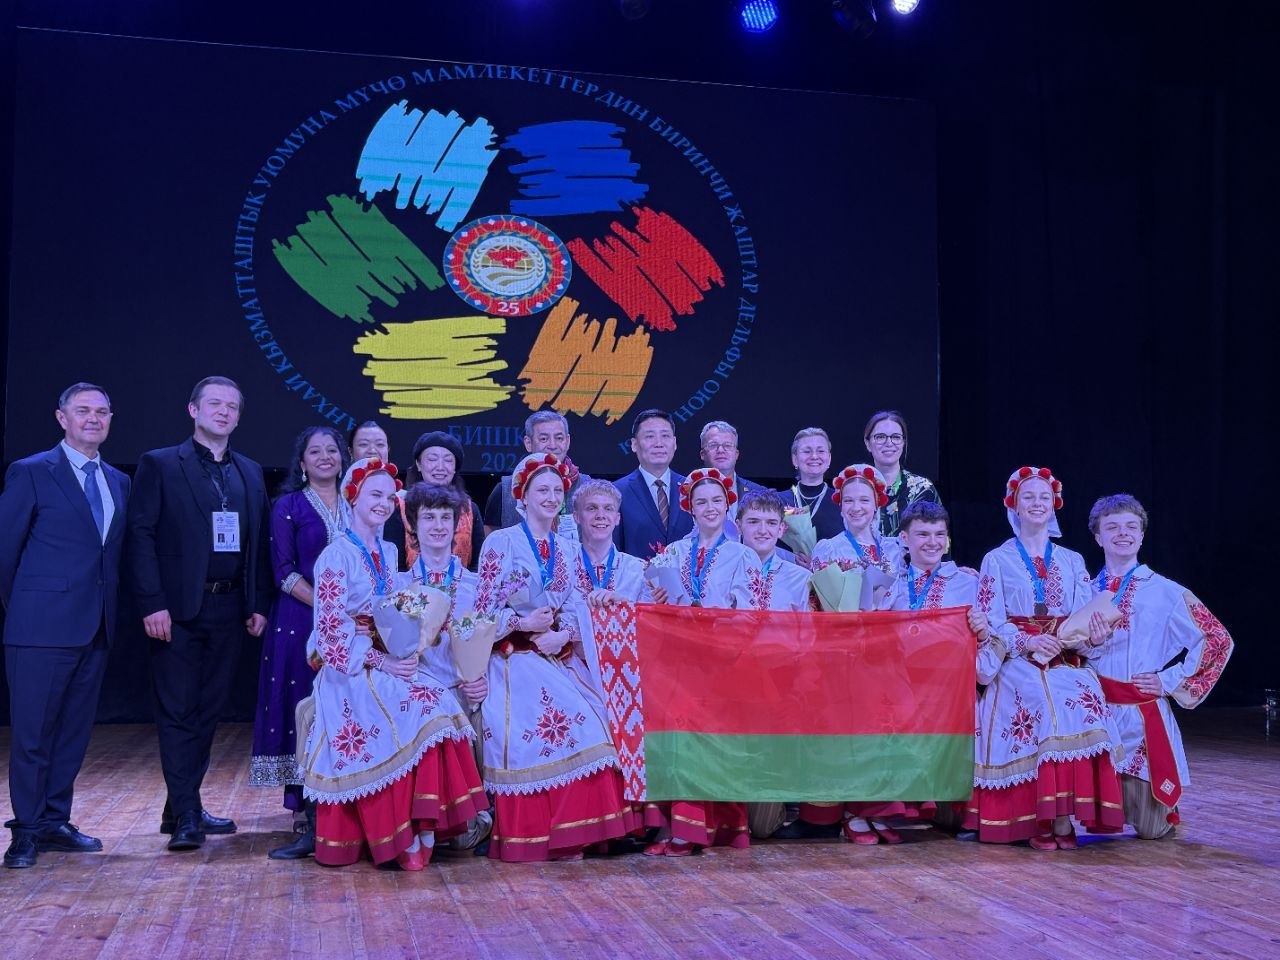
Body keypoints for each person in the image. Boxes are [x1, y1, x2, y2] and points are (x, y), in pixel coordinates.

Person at [300, 459, 485, 869]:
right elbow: (329, 635)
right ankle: (400, 831)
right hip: (350, 667)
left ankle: (425, 820)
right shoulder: (335, 556)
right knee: (423, 708)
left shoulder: (386, 551)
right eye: (374, 495)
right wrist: (379, 660)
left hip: (386, 659)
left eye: (388, 497)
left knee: (439, 703)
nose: (383, 504)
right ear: (353, 498)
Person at [127, 376, 272, 852]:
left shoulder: (250, 471)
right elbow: (141, 536)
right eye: (215, 403)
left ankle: (182, 804)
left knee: (209, 710)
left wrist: (257, 603)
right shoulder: (160, 464)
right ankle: (187, 814)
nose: (224, 412)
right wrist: (152, 602)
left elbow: (257, 544)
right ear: (193, 410)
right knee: (178, 710)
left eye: (232, 406)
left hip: (230, 608)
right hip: (176, 610)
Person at [473, 453, 636, 861]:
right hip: (511, 658)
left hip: (554, 655)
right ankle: (541, 833)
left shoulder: (568, 548)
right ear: (523, 496)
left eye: (556, 490)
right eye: (541, 490)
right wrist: (522, 622)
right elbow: (480, 615)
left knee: (598, 725)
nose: (550, 497)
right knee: (545, 732)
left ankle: (580, 830)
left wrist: (561, 632)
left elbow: (578, 605)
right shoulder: (500, 542)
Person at [0, 383, 130, 869]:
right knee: (32, 735)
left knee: (72, 734)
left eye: (102, 411)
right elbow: (5, 553)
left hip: (95, 627)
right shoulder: (32, 471)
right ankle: (26, 830)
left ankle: (55, 821)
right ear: (62, 418)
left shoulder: (118, 481)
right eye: (83, 411)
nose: (93, 418)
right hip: (39, 630)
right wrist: (27, 610)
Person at [964, 466, 1125, 849]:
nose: (1037, 503)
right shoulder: (996, 559)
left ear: (1054, 504)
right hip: (1017, 657)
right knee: (1036, 698)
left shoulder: (1072, 560)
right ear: (1014, 505)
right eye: (1028, 497)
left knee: (1081, 697)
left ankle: (1064, 815)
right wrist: (1028, 642)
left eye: (1044, 497)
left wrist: (1090, 634)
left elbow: (1085, 614)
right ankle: (1038, 818)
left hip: (1064, 654)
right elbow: (991, 619)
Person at [1086, 494, 1234, 839]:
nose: (1123, 533)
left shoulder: (1166, 592)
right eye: (1112, 527)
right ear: (1098, 537)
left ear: (1142, 535)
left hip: (1141, 713)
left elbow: (1216, 639)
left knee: (1152, 831)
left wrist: (1168, 680)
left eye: (1131, 526)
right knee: (1094, 817)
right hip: (1096, 715)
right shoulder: (1083, 590)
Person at [249, 425, 348, 860]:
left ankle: (347, 801)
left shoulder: (358, 503)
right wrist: (328, 605)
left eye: (332, 450)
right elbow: (284, 571)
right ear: (302, 462)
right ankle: (307, 812)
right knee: (302, 708)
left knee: (346, 708)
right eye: (315, 451)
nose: (325, 456)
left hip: (354, 625)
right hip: (299, 621)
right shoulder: (287, 506)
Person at [644, 468, 754, 856]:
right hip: (676, 660)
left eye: (716, 501)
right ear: (690, 508)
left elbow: (749, 614)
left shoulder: (742, 554)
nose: (709, 508)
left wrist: (709, 619)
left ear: (728, 506)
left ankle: (706, 827)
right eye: (701, 501)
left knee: (709, 743)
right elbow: (655, 605)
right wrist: (658, 598)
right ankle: (675, 825)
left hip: (719, 661)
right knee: (675, 741)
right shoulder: (673, 551)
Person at [483, 411, 591, 535]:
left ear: (567, 441)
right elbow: (491, 540)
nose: (552, 445)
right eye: (544, 439)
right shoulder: (505, 489)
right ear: (528, 443)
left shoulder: (586, 486)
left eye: (559, 438)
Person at [613, 409, 693, 559]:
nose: (659, 444)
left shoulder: (692, 488)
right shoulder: (617, 492)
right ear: (634, 444)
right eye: (650, 436)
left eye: (665, 436)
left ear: (674, 443)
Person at [811, 464, 905, 587]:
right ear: (841, 505)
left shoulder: (894, 549)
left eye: (864, 500)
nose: (856, 508)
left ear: (876, 504)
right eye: (848, 500)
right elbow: (818, 595)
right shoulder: (829, 550)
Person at [403, 431, 485, 570]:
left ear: (455, 468)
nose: (440, 467)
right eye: (432, 459)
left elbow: (479, 563)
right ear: (418, 464)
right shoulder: (400, 506)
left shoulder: (470, 510)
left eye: (448, 460)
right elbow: (395, 564)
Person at [862, 410, 941, 538]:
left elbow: (940, 537)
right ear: (868, 444)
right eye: (880, 437)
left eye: (896, 437)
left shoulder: (923, 489)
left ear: (903, 442)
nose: (889, 443)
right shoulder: (857, 487)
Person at [738, 489, 811, 612]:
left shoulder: (802, 579)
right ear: (739, 526)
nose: (762, 530)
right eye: (754, 522)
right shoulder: (722, 574)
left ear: (781, 529)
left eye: (771, 523)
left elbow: (811, 625)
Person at [348, 420, 409, 570]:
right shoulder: (337, 498)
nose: (372, 450)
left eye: (380, 444)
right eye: (363, 444)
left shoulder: (405, 501)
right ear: (350, 452)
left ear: (388, 450)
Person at [698, 421, 763, 538]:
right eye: (713, 445)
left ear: (736, 454)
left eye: (727, 445)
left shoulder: (759, 493)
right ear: (702, 454)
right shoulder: (688, 492)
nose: (721, 450)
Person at [778, 427, 844, 544]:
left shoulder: (842, 502)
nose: (814, 456)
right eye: (807, 451)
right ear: (795, 459)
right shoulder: (778, 501)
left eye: (821, 451)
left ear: (829, 458)